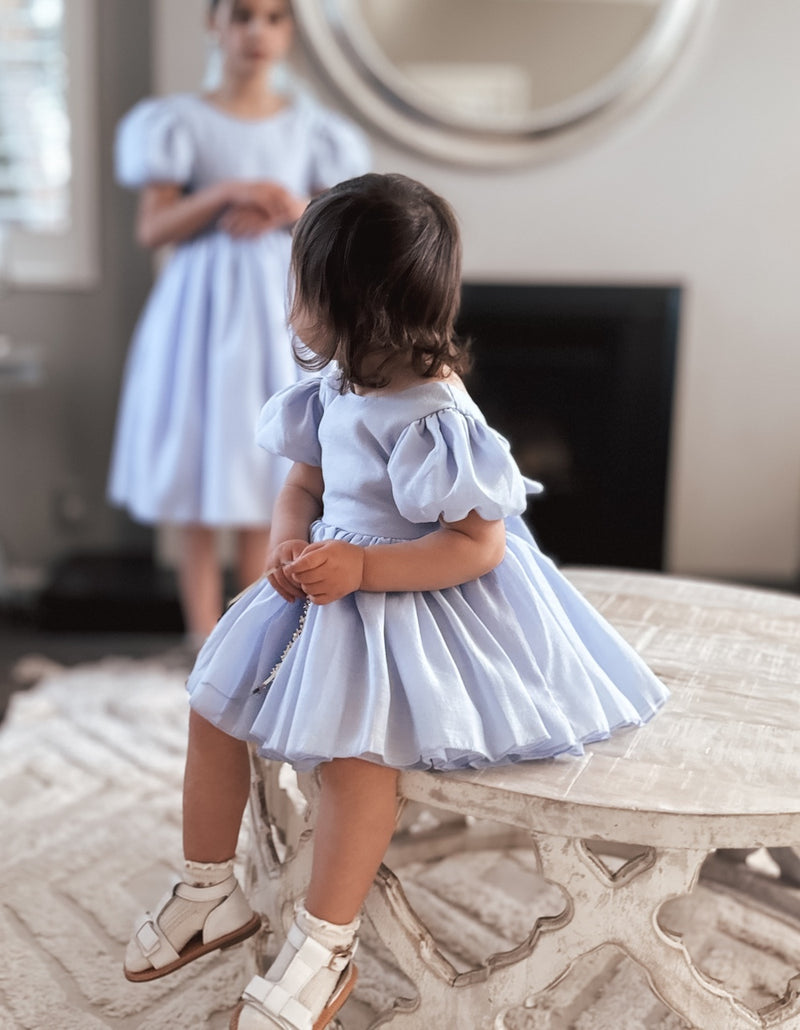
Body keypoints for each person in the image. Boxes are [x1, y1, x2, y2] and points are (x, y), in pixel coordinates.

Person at [123, 173, 669, 1030]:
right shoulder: (339, 384)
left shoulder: (436, 412)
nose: (290, 303)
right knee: (211, 702)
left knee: (355, 758)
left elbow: (476, 544)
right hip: (326, 579)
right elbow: (301, 485)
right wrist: (285, 541)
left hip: (414, 594)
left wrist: (365, 573)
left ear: (357, 304)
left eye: (302, 287)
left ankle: (323, 944)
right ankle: (207, 890)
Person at [108, 0, 370, 643]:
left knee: (266, 467)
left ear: (289, 32)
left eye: (276, 18)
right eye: (245, 15)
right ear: (215, 25)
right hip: (198, 313)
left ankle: (253, 634)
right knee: (199, 460)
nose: (259, 31)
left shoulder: (313, 129)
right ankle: (203, 638)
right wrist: (226, 192)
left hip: (278, 310)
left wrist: (290, 206)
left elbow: (338, 220)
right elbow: (153, 227)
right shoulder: (177, 122)